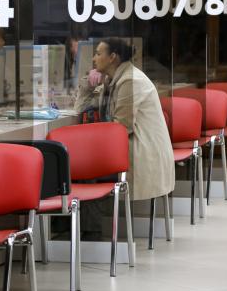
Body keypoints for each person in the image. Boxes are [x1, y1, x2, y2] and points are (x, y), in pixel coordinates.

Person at [74, 38, 175, 201]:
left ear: (112, 57)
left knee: (82, 168)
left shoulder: (130, 81)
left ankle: (93, 218)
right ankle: (87, 216)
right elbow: (81, 108)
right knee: (80, 164)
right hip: (123, 149)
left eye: (98, 54)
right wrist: (88, 84)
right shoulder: (111, 80)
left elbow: (121, 128)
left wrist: (90, 144)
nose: (93, 58)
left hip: (140, 154)